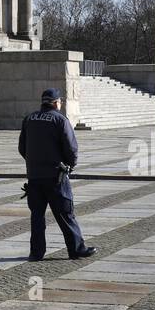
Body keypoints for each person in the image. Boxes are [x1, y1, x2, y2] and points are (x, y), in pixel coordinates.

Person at [17, 88, 96, 262]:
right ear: (55, 102)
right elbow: (71, 148)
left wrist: (34, 164)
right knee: (65, 214)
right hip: (56, 177)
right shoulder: (60, 120)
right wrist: (70, 165)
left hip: (35, 178)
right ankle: (76, 249)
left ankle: (36, 253)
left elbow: (22, 148)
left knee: (37, 217)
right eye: (60, 101)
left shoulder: (29, 119)